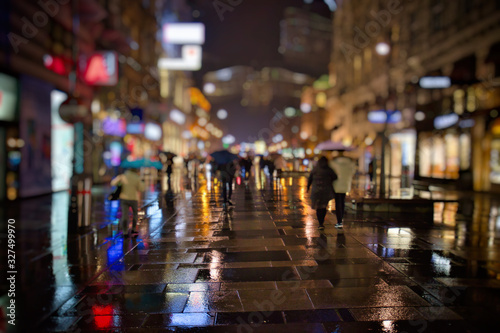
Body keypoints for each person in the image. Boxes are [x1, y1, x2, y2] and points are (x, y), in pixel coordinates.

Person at [111, 168, 145, 237]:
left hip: (124, 198)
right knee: (135, 214)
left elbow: (113, 183)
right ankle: (133, 229)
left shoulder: (123, 176)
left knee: (125, 215)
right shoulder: (136, 178)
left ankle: (125, 231)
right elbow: (141, 188)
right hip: (134, 198)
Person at [307, 156, 337, 230]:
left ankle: (320, 223)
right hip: (326, 191)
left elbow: (310, 179)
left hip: (316, 191)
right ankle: (322, 223)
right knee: (323, 207)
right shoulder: (329, 169)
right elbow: (335, 177)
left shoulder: (315, 169)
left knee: (318, 207)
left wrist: (307, 188)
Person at [330, 151, 356, 228]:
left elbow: (331, 172)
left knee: (338, 203)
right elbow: (353, 172)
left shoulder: (333, 162)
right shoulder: (350, 163)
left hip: (336, 185)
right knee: (342, 202)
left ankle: (339, 222)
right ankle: (341, 220)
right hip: (346, 184)